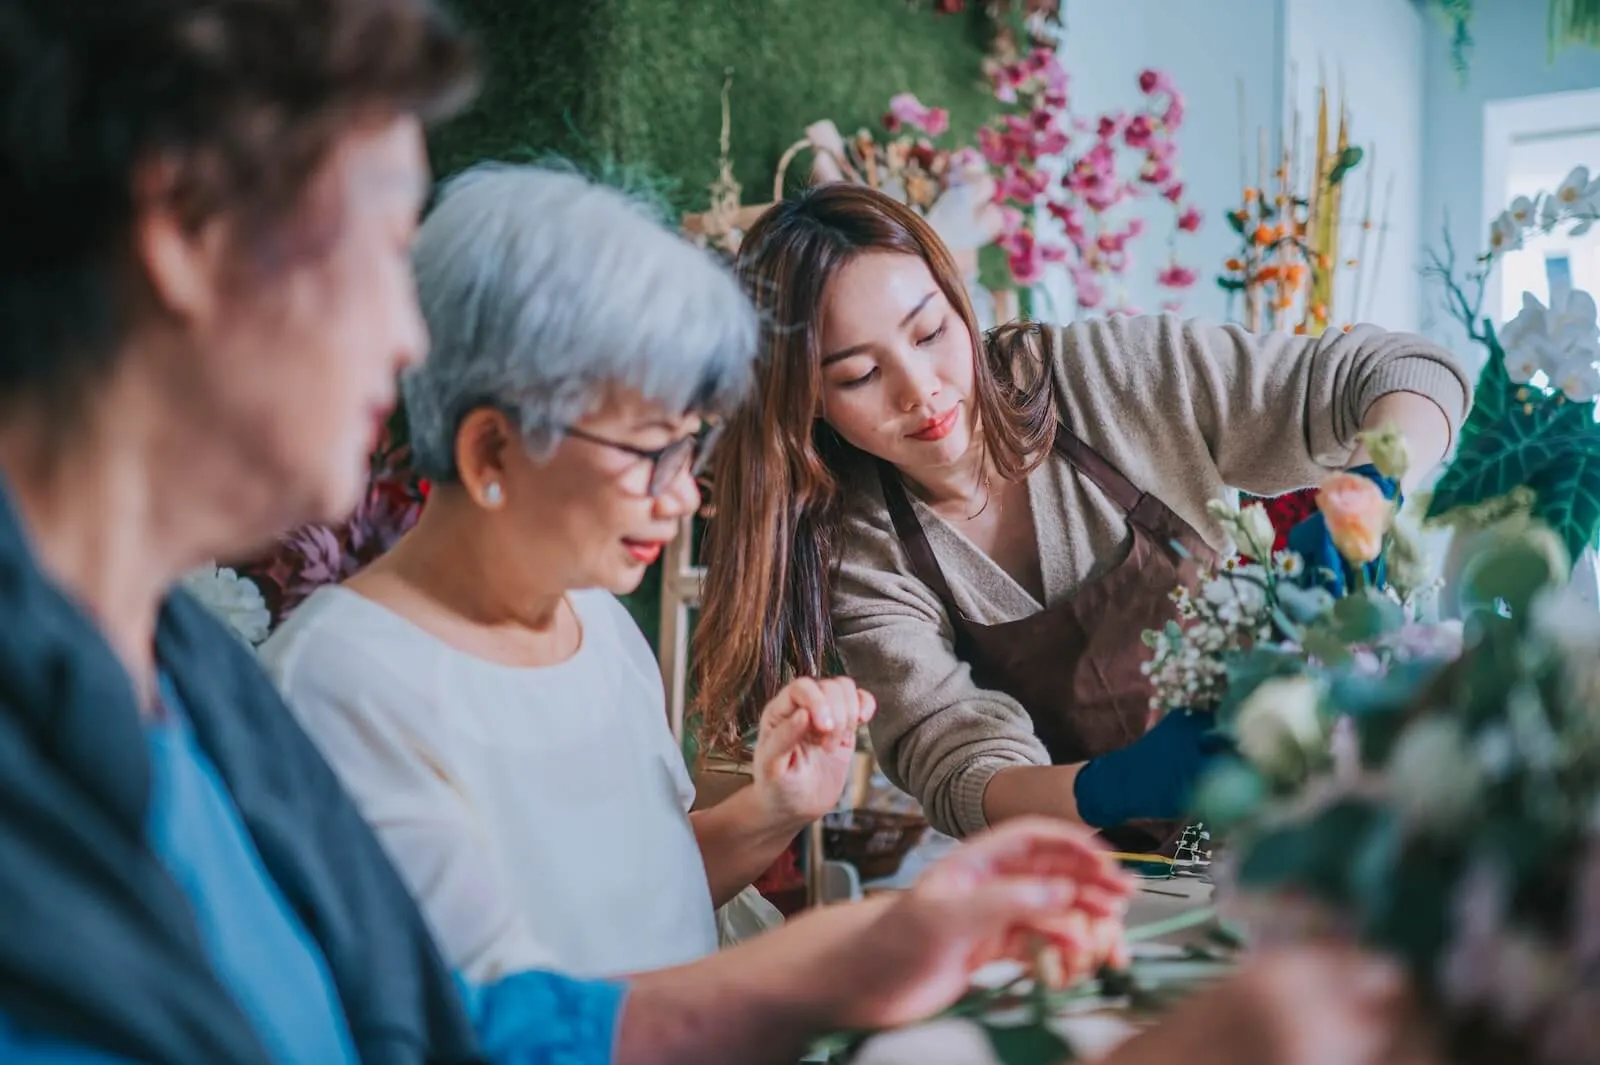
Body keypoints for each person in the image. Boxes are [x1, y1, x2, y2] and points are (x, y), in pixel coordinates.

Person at [0, 2, 1142, 1062]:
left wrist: (828, 888)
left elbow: (464, 1015)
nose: (411, 345)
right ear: (186, 235)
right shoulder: (305, 684)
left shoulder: (194, 681)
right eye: (381, 250)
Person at [693, 184, 1470, 847]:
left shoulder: (1104, 376)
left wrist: (1372, 484)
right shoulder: (861, 547)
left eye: (931, 332)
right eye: (860, 374)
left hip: (1319, 801)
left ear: (958, 303)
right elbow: (960, 769)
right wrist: (1107, 788)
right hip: (1112, 871)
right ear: (810, 402)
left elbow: (1402, 370)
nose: (919, 389)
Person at [260, 162, 872, 980]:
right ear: (492, 449)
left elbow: (654, 896)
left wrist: (776, 809)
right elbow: (500, 1023)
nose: (684, 494)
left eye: (693, 446)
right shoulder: (343, 685)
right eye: (652, 449)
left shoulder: (596, 621)